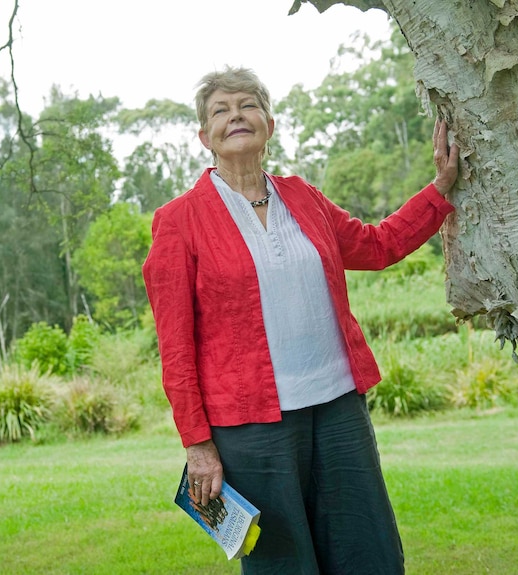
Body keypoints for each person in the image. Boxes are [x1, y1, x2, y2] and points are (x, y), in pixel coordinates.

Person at [142, 66, 460, 574]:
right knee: (282, 562)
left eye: (247, 105)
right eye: (220, 110)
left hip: (337, 407)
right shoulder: (178, 221)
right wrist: (198, 444)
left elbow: (378, 246)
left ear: (269, 123)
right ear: (205, 136)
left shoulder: (303, 197)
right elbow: (176, 347)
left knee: (365, 548)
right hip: (249, 426)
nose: (236, 116)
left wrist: (440, 189)